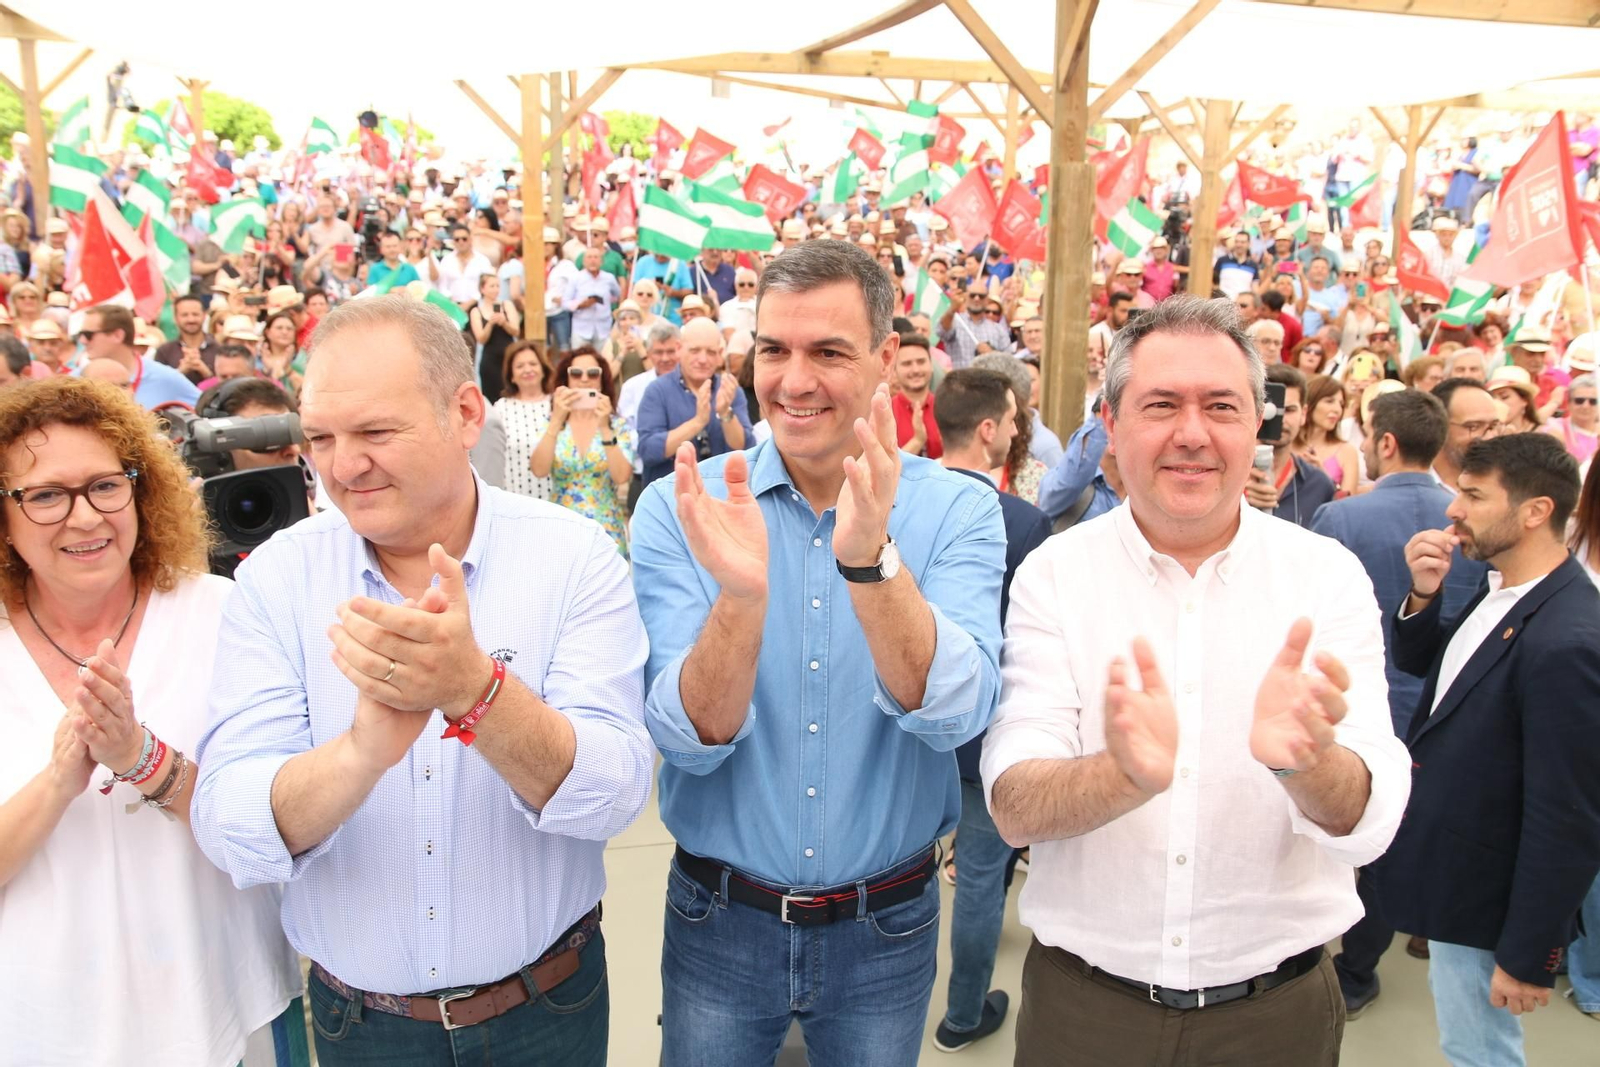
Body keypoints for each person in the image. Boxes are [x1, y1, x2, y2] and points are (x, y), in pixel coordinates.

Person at [191, 295, 652, 1067]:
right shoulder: (276, 577)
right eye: (321, 438)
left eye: (375, 431)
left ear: (465, 413)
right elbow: (230, 820)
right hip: (361, 1030)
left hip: (548, 1009)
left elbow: (613, 791)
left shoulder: (575, 558)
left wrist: (477, 693)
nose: (342, 465)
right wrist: (362, 752)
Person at [983, 295, 1410, 1067]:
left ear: (1257, 426)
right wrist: (1119, 777)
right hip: (1085, 1013)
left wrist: (1308, 764)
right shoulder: (1054, 573)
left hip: (1275, 1018)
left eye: (1220, 406)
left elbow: (1370, 816)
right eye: (1160, 405)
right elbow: (1012, 804)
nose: (1192, 432)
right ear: (1110, 426)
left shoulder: (1326, 577)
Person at [630, 240, 1005, 1067]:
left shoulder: (958, 512)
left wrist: (872, 561)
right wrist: (740, 598)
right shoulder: (684, 507)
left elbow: (953, 714)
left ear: (884, 361)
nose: (794, 381)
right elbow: (686, 737)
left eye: (828, 352)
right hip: (718, 919)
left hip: (887, 927)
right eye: (774, 349)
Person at [0, 377, 303, 1065]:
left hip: (228, 1011)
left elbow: (275, 824)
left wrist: (139, 756)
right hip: (37, 1030)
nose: (84, 517)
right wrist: (57, 780)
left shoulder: (223, 614)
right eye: (46, 495)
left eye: (107, 485)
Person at [1367, 433, 1600, 1067]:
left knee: (1480, 1055)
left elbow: (1568, 816)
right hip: (1456, 876)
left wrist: (1528, 956)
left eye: (1472, 495)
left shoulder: (1569, 641)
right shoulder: (1504, 590)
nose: (1453, 510)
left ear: (1535, 511)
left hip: (1487, 898)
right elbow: (1440, 674)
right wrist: (1422, 595)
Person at [1312, 388, 1489, 1016]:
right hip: (1435, 710)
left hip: (1348, 705)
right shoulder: (1468, 519)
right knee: (1393, 844)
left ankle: (1320, 951)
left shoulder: (1342, 518)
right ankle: (1358, 971)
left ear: (1385, 442)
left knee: (1323, 820)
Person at [929, 367, 1051, 1053]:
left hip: (898, 727)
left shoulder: (893, 501)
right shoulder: (1025, 522)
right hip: (980, 732)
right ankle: (963, 1012)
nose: (1014, 431)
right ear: (986, 430)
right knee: (977, 877)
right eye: (1009, 420)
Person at [530, 348, 635, 554]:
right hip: (561, 528)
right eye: (576, 373)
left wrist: (605, 428)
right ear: (566, 379)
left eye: (593, 373)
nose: (584, 379)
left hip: (606, 530)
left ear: (602, 380)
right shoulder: (553, 423)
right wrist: (557, 420)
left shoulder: (616, 425)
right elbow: (538, 470)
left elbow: (622, 477)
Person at [636, 317, 750, 488]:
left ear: (720, 355)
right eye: (695, 350)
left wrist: (726, 413)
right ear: (679, 349)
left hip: (719, 497)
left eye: (711, 352)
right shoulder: (657, 391)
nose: (703, 359)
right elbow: (649, 450)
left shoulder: (731, 390)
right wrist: (697, 422)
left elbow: (745, 449)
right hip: (669, 500)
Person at [1245, 363, 1337, 527]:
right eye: (1271, 409)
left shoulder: (1318, 484)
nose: (1280, 419)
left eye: (1290, 410)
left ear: (1304, 414)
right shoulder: (1223, 475)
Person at [76, 305, 199, 410]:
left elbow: (208, 409)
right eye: (81, 335)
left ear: (118, 335)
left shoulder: (166, 378)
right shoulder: (74, 382)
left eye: (88, 335)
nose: (82, 341)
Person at [492, 340, 554, 501]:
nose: (528, 370)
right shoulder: (500, 408)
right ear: (511, 376)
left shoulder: (557, 404)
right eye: (520, 366)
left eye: (533, 363)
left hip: (555, 499)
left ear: (543, 368)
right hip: (515, 497)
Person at [1432, 377, 1502, 493]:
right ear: (1439, 426)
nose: (1489, 437)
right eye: (1473, 427)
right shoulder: (1410, 484)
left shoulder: (1506, 487)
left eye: (1493, 426)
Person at [1297, 373, 1361, 497]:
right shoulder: (1288, 445)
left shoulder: (1347, 451)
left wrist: (1322, 475)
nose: (1337, 409)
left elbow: (1347, 504)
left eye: (1341, 404)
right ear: (1310, 403)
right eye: (1329, 401)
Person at [468, 273, 520, 404]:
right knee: (491, 397)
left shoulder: (507, 305)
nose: (496, 289)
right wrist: (490, 323)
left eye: (498, 286)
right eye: (492, 286)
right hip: (490, 360)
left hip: (508, 356)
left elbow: (516, 330)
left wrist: (504, 322)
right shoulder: (476, 311)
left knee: (512, 393)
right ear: (482, 289)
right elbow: (481, 338)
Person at [891, 334, 940, 459]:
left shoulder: (949, 407)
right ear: (894, 370)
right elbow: (884, 467)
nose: (916, 370)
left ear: (931, 365)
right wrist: (917, 441)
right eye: (907, 364)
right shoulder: (884, 413)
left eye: (921, 361)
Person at [564, 246, 621, 352]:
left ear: (602, 261)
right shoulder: (576, 278)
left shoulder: (609, 278)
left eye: (596, 257)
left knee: (602, 361)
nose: (593, 260)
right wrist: (580, 304)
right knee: (579, 360)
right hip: (581, 328)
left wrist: (608, 301)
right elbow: (565, 303)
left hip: (603, 328)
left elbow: (617, 294)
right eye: (589, 257)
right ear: (584, 261)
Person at [152, 293, 218, 382]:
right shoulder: (164, 351)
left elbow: (228, 385)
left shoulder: (219, 349)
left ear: (204, 316)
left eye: (195, 314)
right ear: (175, 318)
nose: (191, 319)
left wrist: (206, 372)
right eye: (184, 315)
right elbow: (158, 384)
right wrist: (180, 371)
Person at [1545, 372, 1599, 465]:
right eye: (1579, 401)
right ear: (1569, 403)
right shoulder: (1554, 427)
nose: (1585, 406)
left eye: (1593, 401)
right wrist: (1554, 402)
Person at [1487, 365, 1543, 435]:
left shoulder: (1544, 433)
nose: (1498, 403)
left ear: (1525, 400)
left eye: (1504, 397)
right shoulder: (1487, 435)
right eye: (1493, 398)